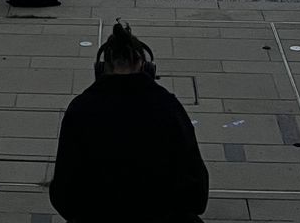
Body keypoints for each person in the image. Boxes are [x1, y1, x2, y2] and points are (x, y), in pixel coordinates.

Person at [50, 20, 208, 223]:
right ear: (145, 67)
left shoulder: (80, 109)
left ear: (102, 68)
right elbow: (197, 191)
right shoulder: (169, 108)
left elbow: (64, 193)